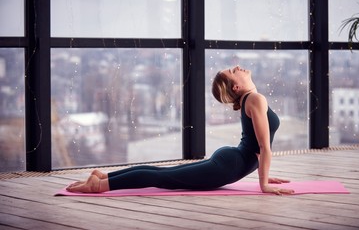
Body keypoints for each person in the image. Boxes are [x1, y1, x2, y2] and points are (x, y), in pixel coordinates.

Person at [66, 66, 294, 195]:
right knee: (165, 177)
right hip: (230, 164)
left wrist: (263, 174)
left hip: (232, 160)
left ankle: (103, 176)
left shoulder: (250, 99)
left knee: (164, 173)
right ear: (237, 86)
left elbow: (257, 146)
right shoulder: (255, 98)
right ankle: (101, 185)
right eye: (234, 70)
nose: (238, 67)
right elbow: (263, 146)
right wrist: (263, 184)